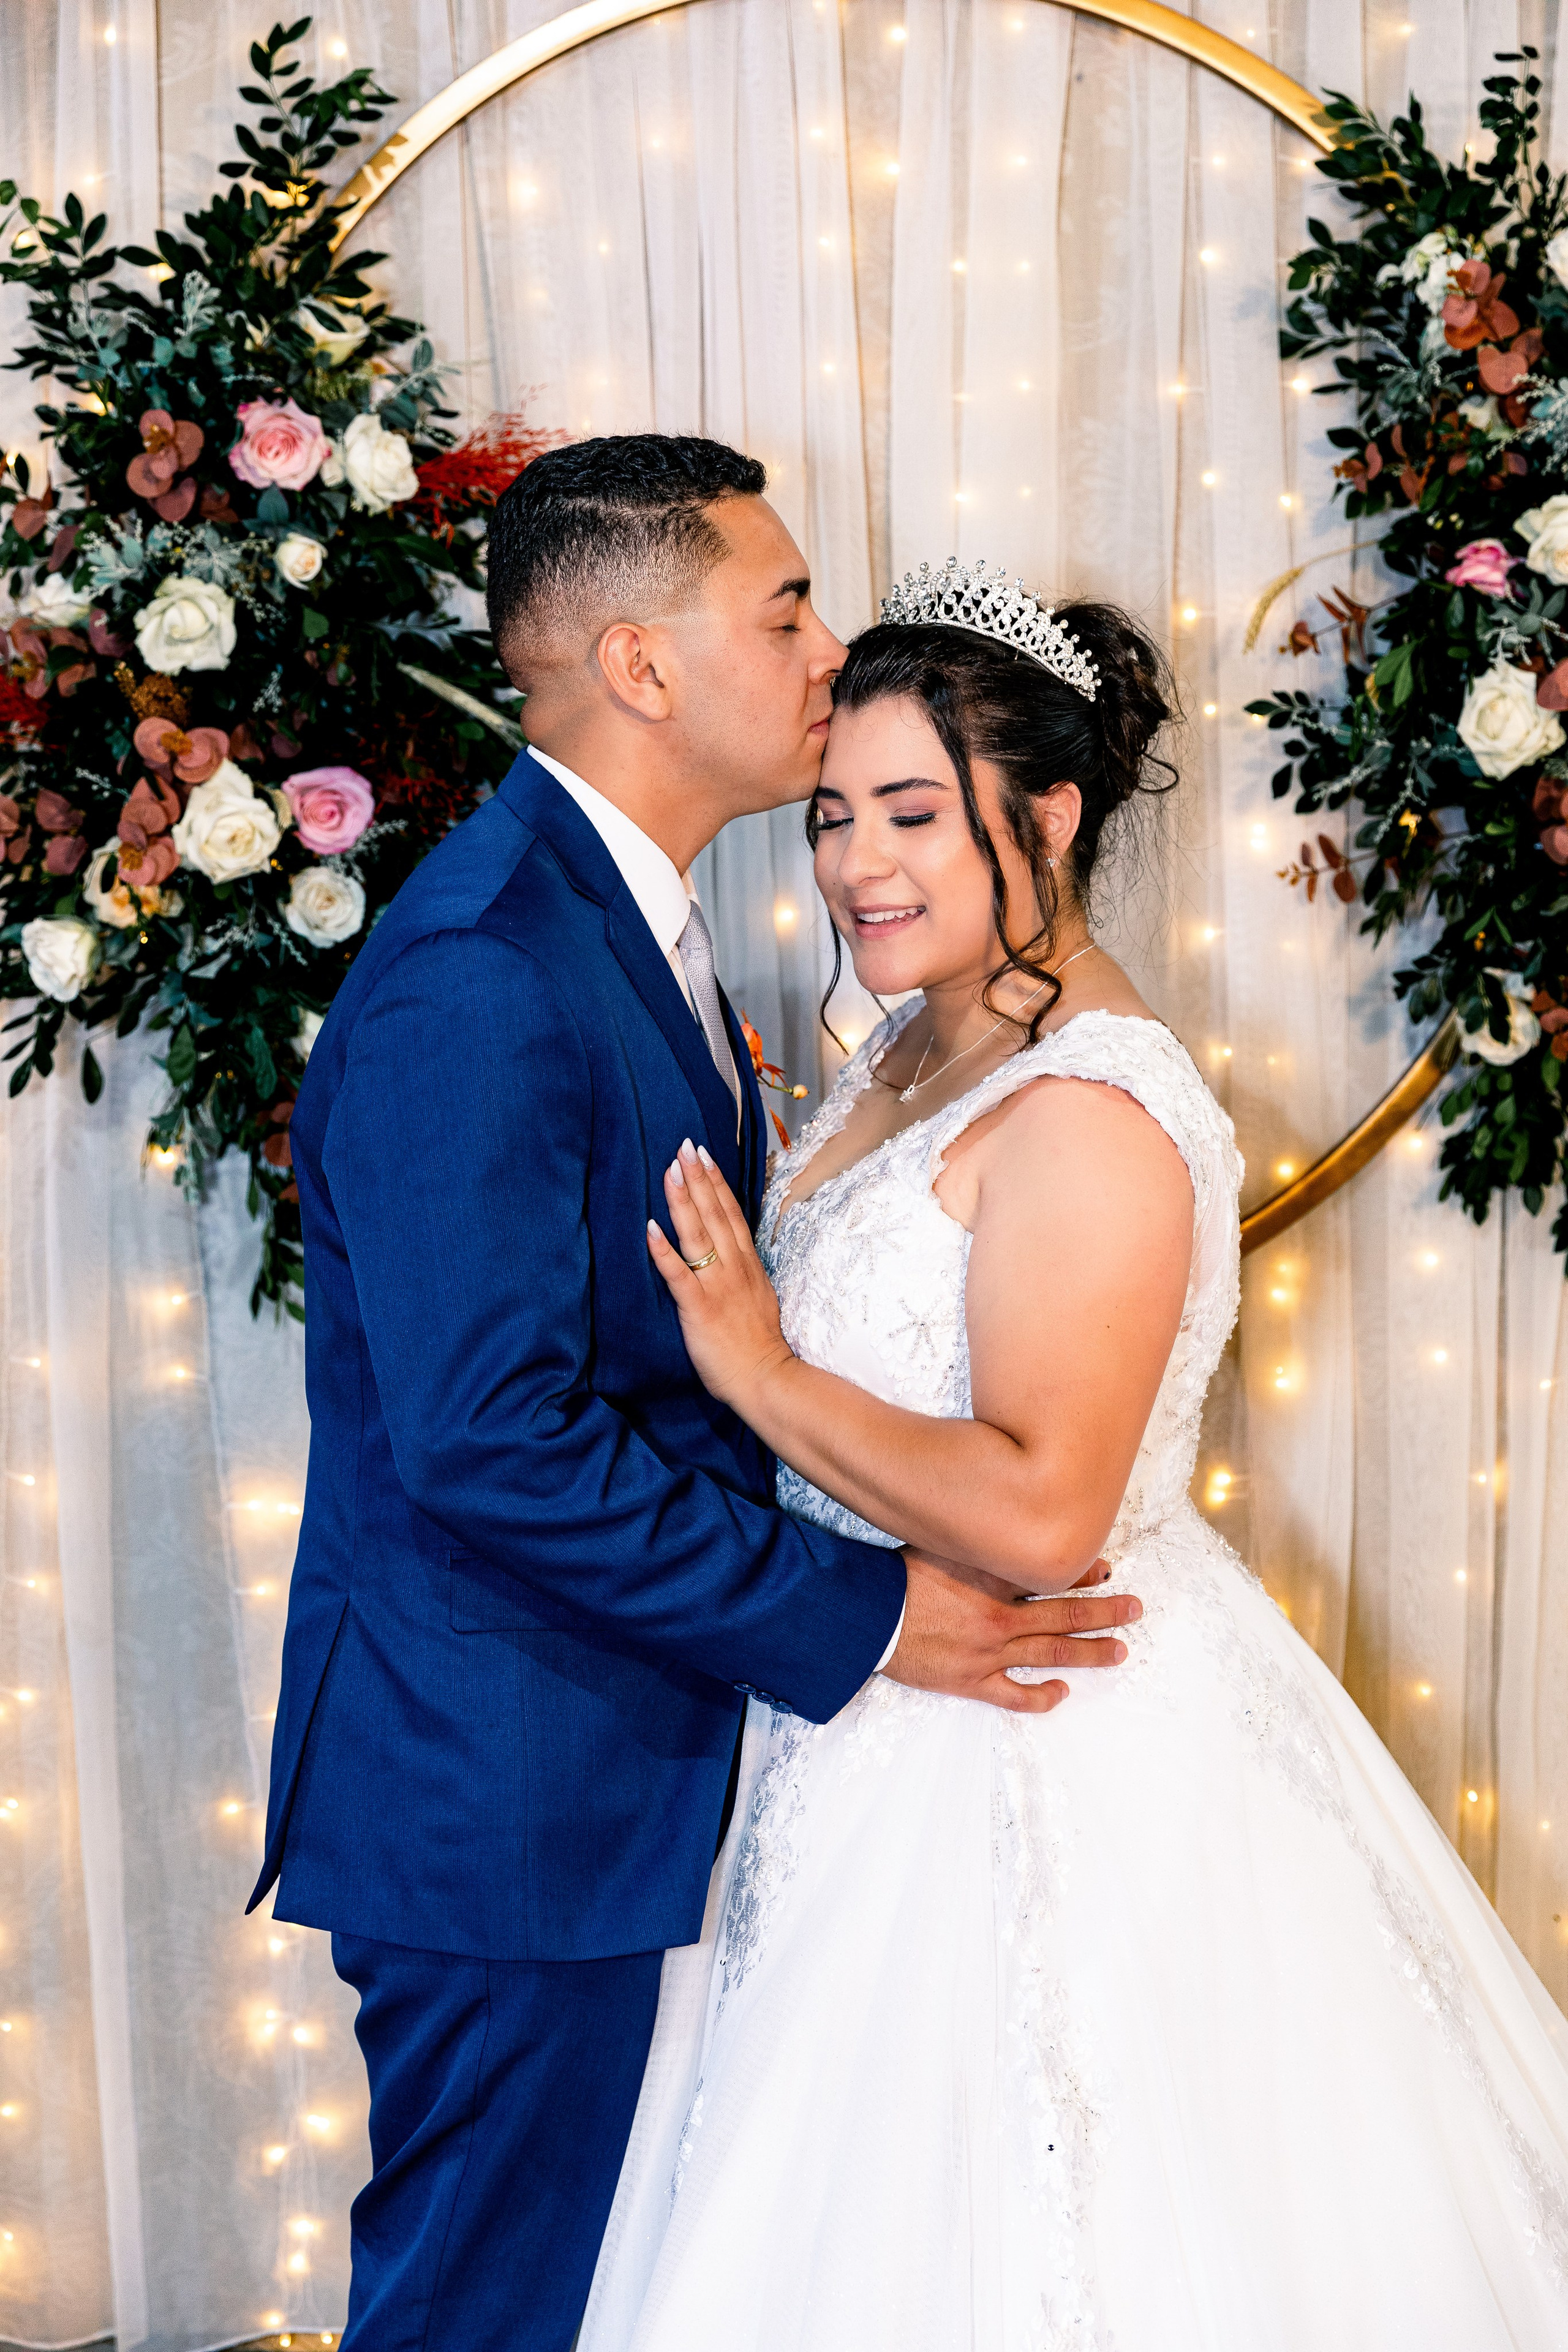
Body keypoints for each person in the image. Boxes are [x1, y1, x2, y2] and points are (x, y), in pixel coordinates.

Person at [579, 562, 1568, 2350]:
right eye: (830, 818)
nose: (857, 865)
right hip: (858, 1721)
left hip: (1044, 1738)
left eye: (911, 816)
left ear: (1048, 813)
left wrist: (758, 1372)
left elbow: (1046, 1509)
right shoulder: (899, 1045)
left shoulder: (1098, 1109)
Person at [247, 448, 1139, 2352]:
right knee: (496, 2308)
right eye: (786, 609)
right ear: (642, 668)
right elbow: (492, 1437)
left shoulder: (616, 929)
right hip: (509, 1796)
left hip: (631, 1764)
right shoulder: (481, 972)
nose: (828, 649)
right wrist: (868, 1613)